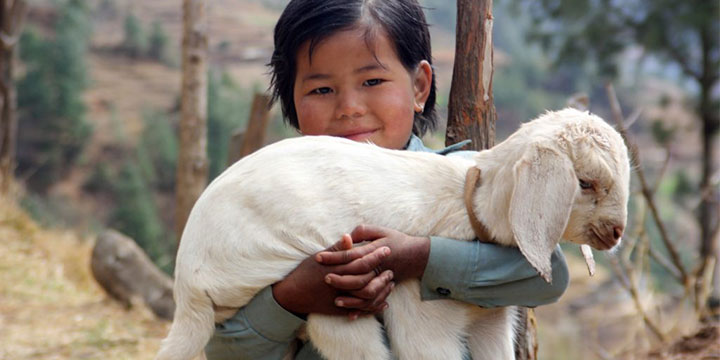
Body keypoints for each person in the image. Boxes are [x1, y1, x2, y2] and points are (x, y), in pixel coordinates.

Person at [205, 0, 569, 359]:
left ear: (419, 88)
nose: (349, 107)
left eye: (373, 80)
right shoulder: (277, 218)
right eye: (321, 90)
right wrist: (292, 298)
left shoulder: (465, 185)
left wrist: (422, 258)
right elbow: (223, 349)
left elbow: (548, 272)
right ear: (293, 105)